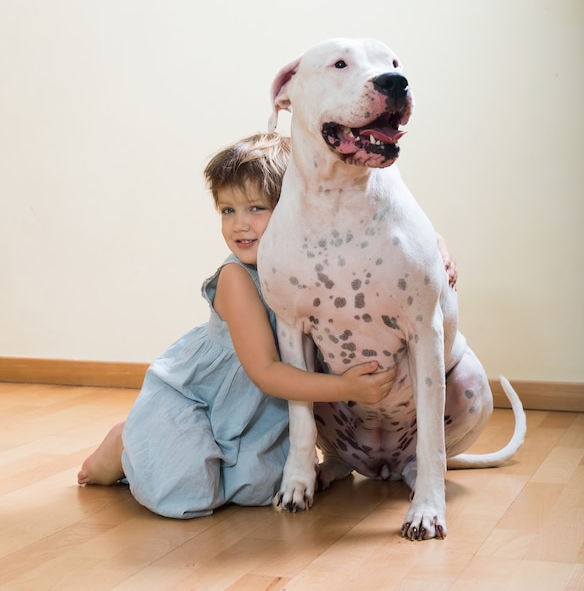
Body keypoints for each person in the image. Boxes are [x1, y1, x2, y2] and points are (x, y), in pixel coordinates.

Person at [77, 132, 399, 519]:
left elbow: (376, 238)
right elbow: (265, 371)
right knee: (186, 495)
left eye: (255, 208)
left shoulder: (310, 265)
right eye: (227, 211)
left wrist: (438, 246)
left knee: (261, 489)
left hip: (258, 413)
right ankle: (124, 442)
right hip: (197, 400)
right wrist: (347, 388)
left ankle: (190, 457)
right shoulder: (237, 279)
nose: (239, 225)